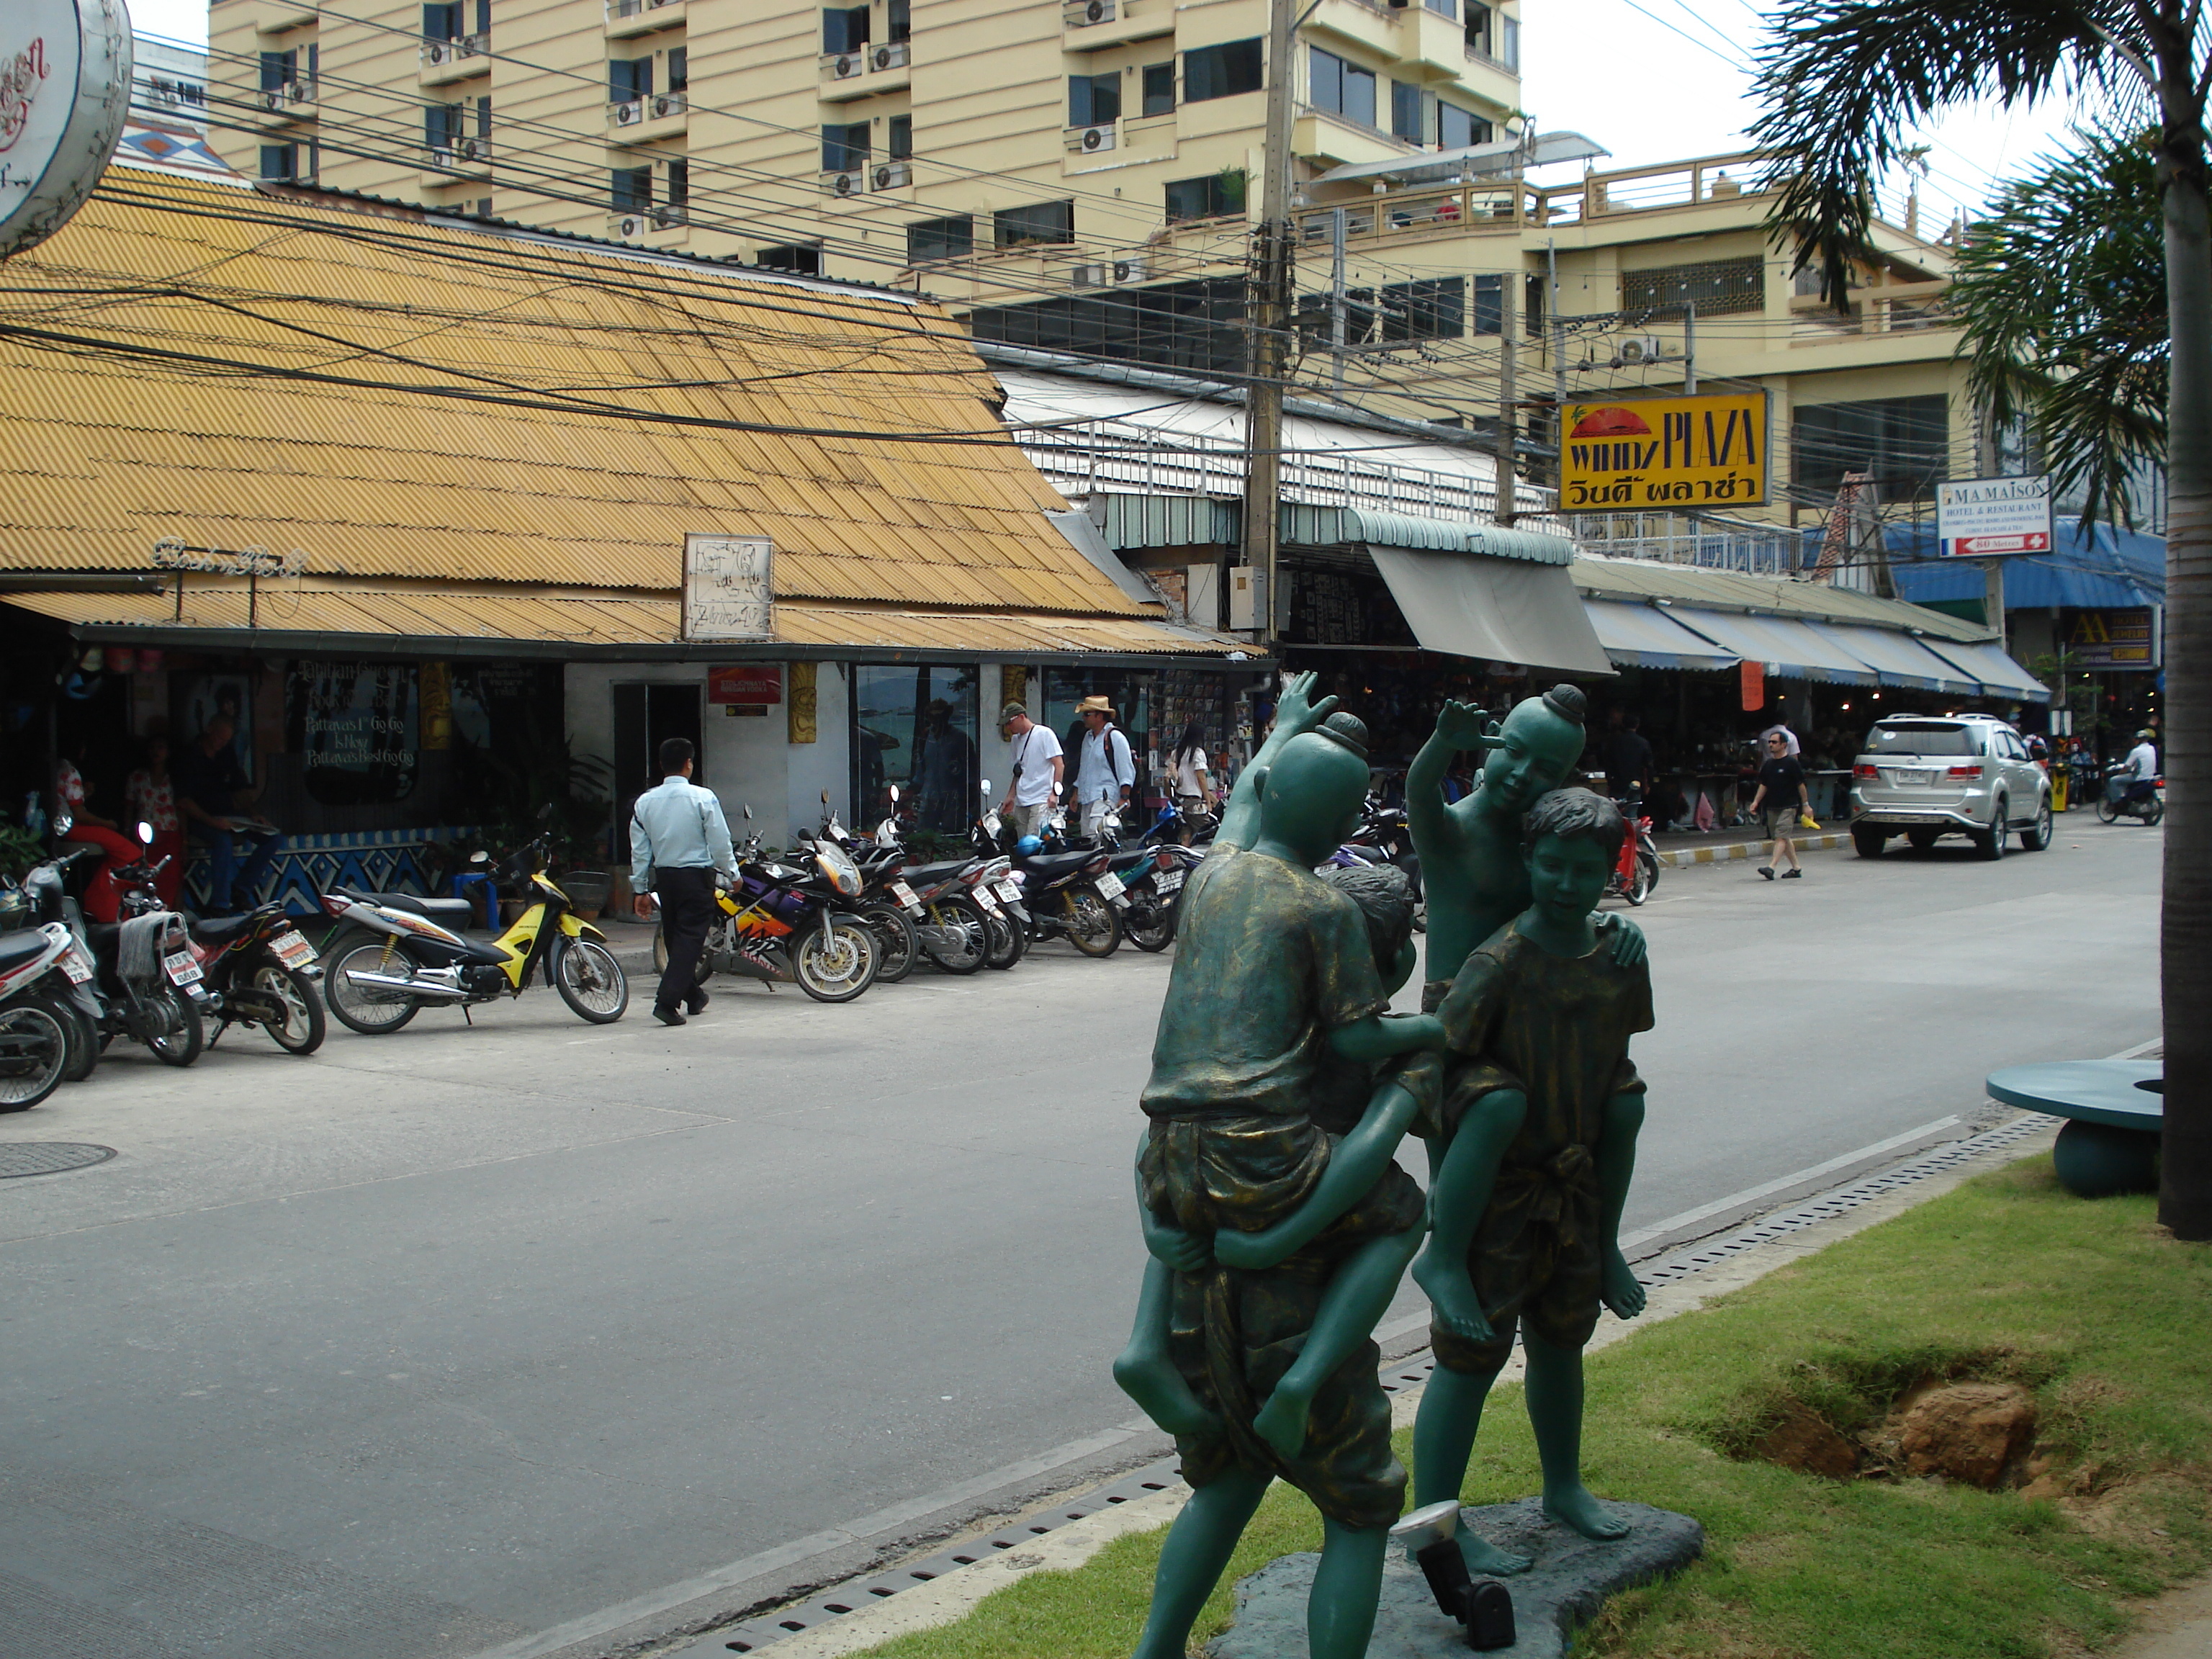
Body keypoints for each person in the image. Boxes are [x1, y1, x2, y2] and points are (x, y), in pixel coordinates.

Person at [1116, 710, 1449, 1659]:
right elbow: (1357, 1039)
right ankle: (1303, 1377)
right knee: (1399, 1215)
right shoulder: (1323, 913)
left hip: (1168, 1152)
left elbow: (1242, 809)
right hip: (1260, 1162)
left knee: (1226, 1476)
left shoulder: (1215, 874)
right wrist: (1427, 1033)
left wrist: (1282, 732)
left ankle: (1155, 1651)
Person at [1411, 788, 1652, 1570]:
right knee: (1470, 1356)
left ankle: (1564, 1486)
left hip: (1576, 1188)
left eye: (1584, 871)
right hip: (1500, 1194)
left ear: (1610, 872)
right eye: (1550, 866)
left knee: (1561, 1341)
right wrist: (1449, 1211)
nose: (1565, 884)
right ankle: (1436, 1521)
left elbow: (1616, 1066)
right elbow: (1444, 1066)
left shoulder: (1617, 958)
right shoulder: (1501, 960)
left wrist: (1603, 1234)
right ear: (1528, 863)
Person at [628, 737, 737, 1028]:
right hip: (696, 878)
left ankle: (694, 995)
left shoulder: (644, 803)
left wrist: (639, 890)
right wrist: (733, 874)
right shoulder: (703, 798)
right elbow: (719, 841)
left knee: (677, 939)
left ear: (662, 766)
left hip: (665, 879)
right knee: (689, 940)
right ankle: (666, 1002)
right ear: (689, 764)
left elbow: (640, 852)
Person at [174, 715, 284, 915]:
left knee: (273, 837)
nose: (221, 744)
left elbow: (239, 789)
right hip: (200, 818)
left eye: (226, 740)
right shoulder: (188, 756)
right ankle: (220, 904)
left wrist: (253, 814)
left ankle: (240, 890)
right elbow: (184, 801)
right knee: (223, 841)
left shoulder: (226, 753)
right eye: (218, 738)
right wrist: (213, 822)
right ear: (209, 730)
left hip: (229, 815)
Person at [53, 738, 145, 924]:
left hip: (58, 826)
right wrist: (107, 823)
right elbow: (80, 815)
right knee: (131, 853)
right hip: (71, 827)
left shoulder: (54, 768)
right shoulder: (70, 772)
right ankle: (102, 904)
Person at [124, 734, 184, 908]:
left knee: (171, 876)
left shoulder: (174, 778)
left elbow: (181, 809)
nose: (156, 752)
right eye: (152, 748)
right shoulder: (137, 777)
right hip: (145, 836)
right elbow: (129, 807)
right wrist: (127, 832)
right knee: (145, 875)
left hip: (170, 833)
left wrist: (184, 839)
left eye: (161, 747)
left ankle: (172, 914)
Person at [995, 702, 1062, 840]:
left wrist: (1054, 794)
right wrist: (1011, 796)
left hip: (1041, 798)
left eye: (1010, 723)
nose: (1008, 727)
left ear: (1021, 717)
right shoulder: (1015, 740)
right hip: (1022, 799)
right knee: (1023, 843)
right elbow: (1018, 771)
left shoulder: (1044, 734)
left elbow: (1059, 765)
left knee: (1033, 842)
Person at [1072, 693, 1135, 841]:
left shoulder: (1115, 737)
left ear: (1099, 716)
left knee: (1098, 838)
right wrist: (1076, 793)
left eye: (1087, 714)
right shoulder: (1087, 738)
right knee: (1087, 839)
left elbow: (1126, 770)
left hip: (1105, 797)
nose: (1084, 718)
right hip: (1088, 798)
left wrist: (1124, 797)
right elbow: (1084, 769)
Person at [1748, 729, 1809, 880]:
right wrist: (1756, 802)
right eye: (1769, 742)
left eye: (1774, 742)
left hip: (1789, 806)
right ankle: (1796, 868)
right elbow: (1764, 785)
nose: (1771, 745)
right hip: (1772, 806)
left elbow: (1801, 785)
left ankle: (1771, 867)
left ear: (1783, 745)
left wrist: (1806, 805)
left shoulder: (1791, 763)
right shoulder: (1769, 764)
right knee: (1783, 837)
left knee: (1781, 837)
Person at [1598, 711, 1655, 811]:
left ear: (1623, 725)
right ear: (1637, 725)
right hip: (1635, 784)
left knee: (1615, 813)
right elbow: (1648, 766)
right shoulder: (1643, 743)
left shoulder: (1614, 742)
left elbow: (1607, 762)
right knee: (1632, 813)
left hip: (1617, 784)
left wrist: (1609, 781)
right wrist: (1648, 784)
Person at [1164, 720, 1215, 818]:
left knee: (1186, 830)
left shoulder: (1176, 753)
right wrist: (1209, 803)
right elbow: (1201, 778)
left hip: (1179, 798)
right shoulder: (1198, 753)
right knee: (1203, 829)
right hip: (1193, 800)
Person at [2119, 728, 2160, 807]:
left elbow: (2127, 767)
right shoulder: (2152, 748)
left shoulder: (2136, 751)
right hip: (2151, 776)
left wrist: (2120, 773)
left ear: (2138, 740)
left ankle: (2119, 802)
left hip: (2139, 778)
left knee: (2114, 780)